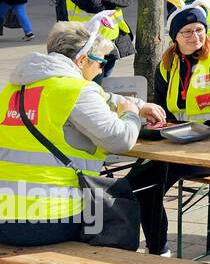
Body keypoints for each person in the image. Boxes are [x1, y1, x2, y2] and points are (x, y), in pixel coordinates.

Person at [0, 19, 164, 245]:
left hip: (5, 214)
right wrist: (131, 114)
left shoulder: (13, 88)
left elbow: (99, 97)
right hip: (47, 217)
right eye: (100, 62)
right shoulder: (76, 90)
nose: (101, 69)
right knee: (117, 216)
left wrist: (135, 103)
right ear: (83, 59)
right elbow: (120, 140)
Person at [124, 1, 210, 255]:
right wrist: (162, 127)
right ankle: (157, 248)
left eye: (199, 30)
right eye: (187, 32)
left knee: (148, 179)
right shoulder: (167, 65)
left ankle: (156, 250)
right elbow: (164, 110)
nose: (194, 36)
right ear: (175, 37)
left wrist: (194, 131)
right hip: (180, 145)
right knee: (139, 184)